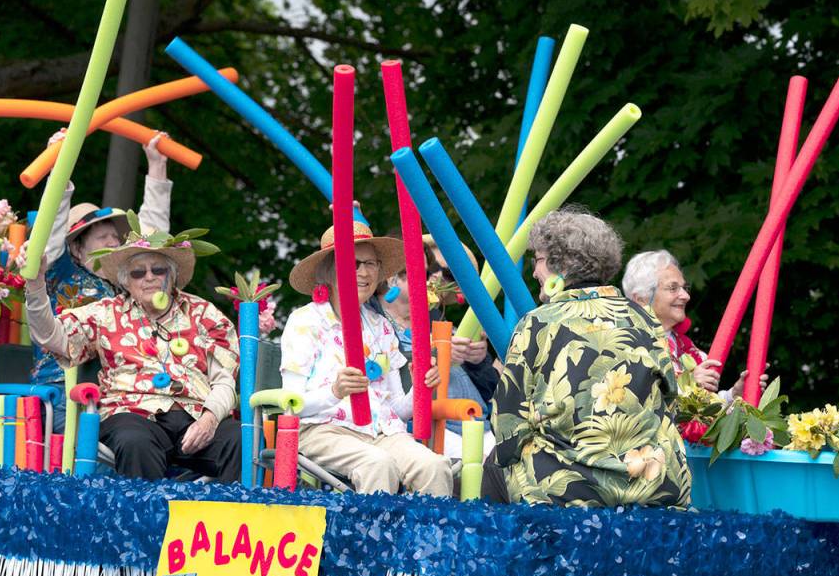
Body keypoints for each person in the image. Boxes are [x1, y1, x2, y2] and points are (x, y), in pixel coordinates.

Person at [485, 206, 690, 507]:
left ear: (560, 264)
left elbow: (507, 421)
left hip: (566, 490)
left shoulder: (537, 324)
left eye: (538, 259)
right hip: (651, 484)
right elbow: (671, 400)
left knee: (494, 464)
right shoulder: (645, 320)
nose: (535, 272)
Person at [25, 224, 240, 481]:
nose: (149, 277)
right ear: (126, 281)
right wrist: (36, 285)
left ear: (171, 276)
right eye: (138, 272)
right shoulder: (105, 313)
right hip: (131, 414)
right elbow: (50, 336)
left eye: (158, 270)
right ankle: (146, 509)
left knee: (240, 439)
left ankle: (226, 508)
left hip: (196, 415)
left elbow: (224, 381)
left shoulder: (205, 313)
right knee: (135, 440)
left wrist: (209, 419)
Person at [281, 222, 452, 496]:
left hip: (382, 433)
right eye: (354, 263)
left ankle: (429, 527)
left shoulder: (380, 326)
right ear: (329, 271)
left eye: (371, 263)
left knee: (435, 466)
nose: (364, 272)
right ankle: (369, 528)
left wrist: (420, 385)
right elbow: (291, 405)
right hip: (324, 431)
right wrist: (335, 392)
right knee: (378, 464)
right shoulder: (304, 321)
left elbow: (398, 410)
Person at [31, 133, 172, 432]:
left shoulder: (127, 285)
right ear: (77, 248)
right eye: (102, 237)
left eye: (115, 237)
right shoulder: (61, 270)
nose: (112, 242)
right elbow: (52, 230)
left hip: (116, 393)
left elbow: (152, 238)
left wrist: (157, 167)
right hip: (63, 392)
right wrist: (59, 166)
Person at [369, 234, 496, 460]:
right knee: (486, 466)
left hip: (475, 422)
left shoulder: (442, 322)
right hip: (424, 428)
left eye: (431, 272)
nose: (432, 279)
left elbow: (490, 390)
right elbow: (386, 382)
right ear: (391, 275)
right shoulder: (371, 322)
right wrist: (440, 355)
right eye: (421, 271)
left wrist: (477, 362)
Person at [622, 250, 767, 398]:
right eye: (673, 288)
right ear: (641, 299)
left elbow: (705, 408)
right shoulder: (624, 346)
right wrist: (690, 385)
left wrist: (735, 395)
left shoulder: (690, 351)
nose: (686, 296)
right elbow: (635, 403)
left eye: (684, 288)